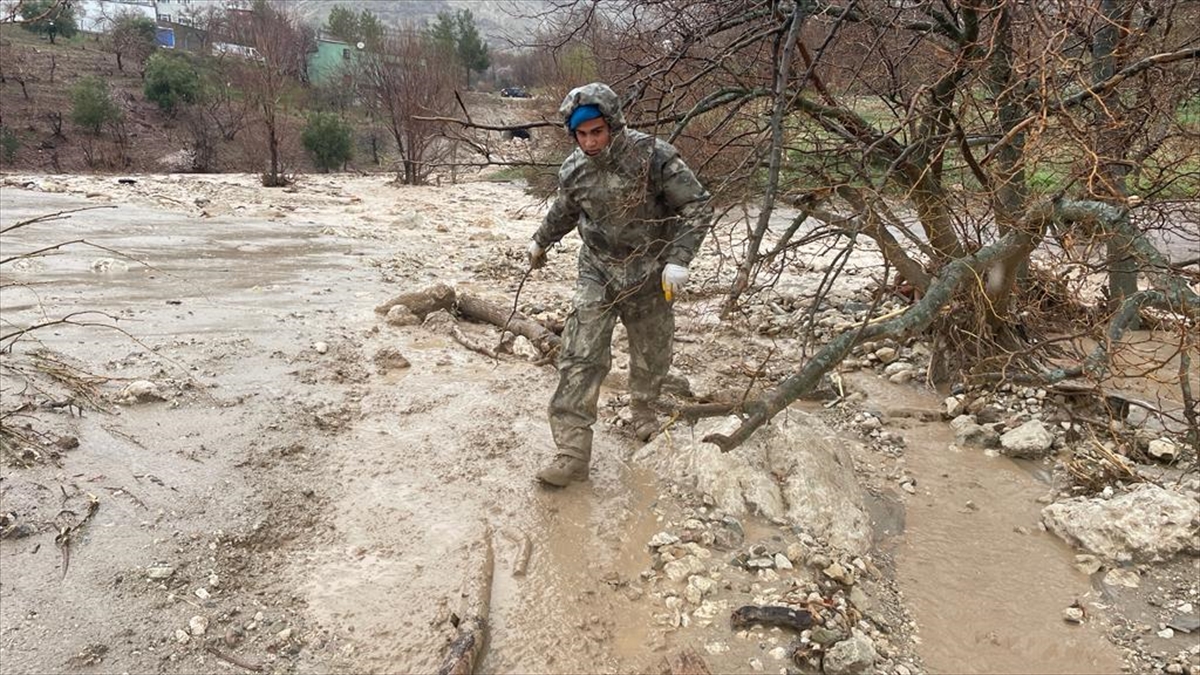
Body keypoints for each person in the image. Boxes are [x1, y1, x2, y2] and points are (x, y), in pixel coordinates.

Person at [527, 82, 714, 487]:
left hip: (650, 271)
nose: (590, 142)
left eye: (597, 131)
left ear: (613, 125)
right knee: (580, 354)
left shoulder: (654, 158)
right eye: (581, 134)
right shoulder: (574, 169)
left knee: (651, 351)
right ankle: (572, 453)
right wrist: (540, 241)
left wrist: (679, 259)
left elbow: (697, 205)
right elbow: (565, 210)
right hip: (597, 269)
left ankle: (643, 414)